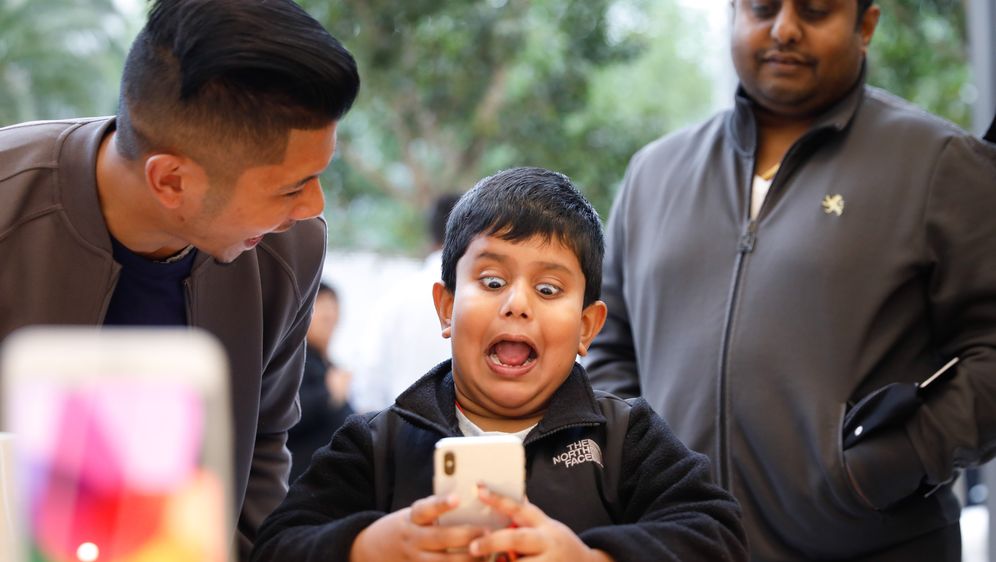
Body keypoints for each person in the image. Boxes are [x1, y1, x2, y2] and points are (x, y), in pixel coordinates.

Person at [583, 1, 996, 560]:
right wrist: (638, 476)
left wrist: (887, 465)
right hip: (679, 547)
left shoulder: (942, 164)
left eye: (815, 9)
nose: (784, 28)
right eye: (761, 8)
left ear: (866, 25)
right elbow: (608, 347)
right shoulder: (653, 173)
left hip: (876, 546)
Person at [0, 0, 359, 558]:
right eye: (291, 187)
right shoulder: (9, 205)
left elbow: (265, 440)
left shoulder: (289, 248)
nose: (313, 206)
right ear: (170, 181)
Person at [250, 167, 748, 562]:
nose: (517, 304)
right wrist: (364, 548)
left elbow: (717, 536)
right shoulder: (376, 444)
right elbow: (278, 544)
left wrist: (592, 557)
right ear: (446, 308)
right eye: (491, 282)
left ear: (586, 328)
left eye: (548, 289)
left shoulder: (625, 439)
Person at [351, 193, 461, 412]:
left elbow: (367, 391)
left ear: (430, 237)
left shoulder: (395, 299)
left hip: (400, 433)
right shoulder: (493, 299)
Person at [287, 282, 355, 483]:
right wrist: (328, 394)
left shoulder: (329, 366)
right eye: (321, 307)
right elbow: (286, 414)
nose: (329, 315)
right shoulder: (293, 361)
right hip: (298, 483)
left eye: (333, 307)